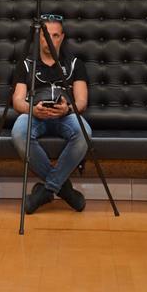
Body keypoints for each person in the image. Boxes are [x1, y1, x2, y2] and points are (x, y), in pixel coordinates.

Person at [10, 14, 90, 214]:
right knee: (19, 132)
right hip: (35, 114)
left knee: (84, 132)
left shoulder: (75, 64)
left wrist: (68, 108)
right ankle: (64, 190)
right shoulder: (26, 64)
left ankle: (46, 191)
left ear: (62, 37)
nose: (50, 40)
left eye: (55, 35)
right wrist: (32, 109)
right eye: (46, 35)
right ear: (39, 37)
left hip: (66, 115)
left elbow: (81, 101)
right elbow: (17, 100)